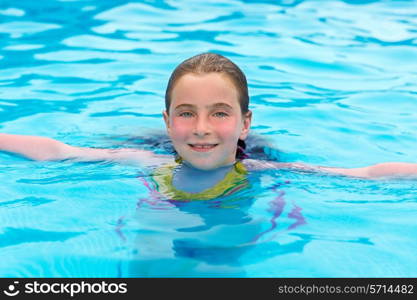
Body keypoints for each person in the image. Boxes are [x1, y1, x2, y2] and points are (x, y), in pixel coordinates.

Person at [1, 53, 417, 200]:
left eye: (220, 113)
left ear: (244, 124)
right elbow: (56, 150)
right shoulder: (148, 161)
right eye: (186, 113)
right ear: (167, 122)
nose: (201, 128)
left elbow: (362, 175)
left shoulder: (261, 170)